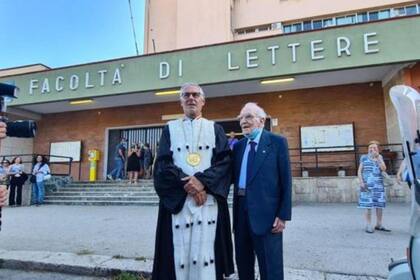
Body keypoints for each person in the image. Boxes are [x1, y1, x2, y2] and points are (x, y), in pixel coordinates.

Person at [152, 83, 234, 280]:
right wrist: (188, 185)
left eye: (195, 94)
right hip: (179, 202)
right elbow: (162, 164)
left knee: (208, 255)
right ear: (180, 101)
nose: (191, 98)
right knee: (176, 257)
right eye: (186, 95)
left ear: (203, 101)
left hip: (209, 203)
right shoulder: (169, 129)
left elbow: (225, 163)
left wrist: (202, 182)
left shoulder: (215, 129)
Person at [232, 102, 292, 280]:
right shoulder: (238, 146)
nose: (243, 121)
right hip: (241, 212)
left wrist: (283, 215)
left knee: (270, 267)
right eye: (241, 118)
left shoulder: (277, 143)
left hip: (268, 216)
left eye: (248, 117)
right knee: (243, 263)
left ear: (262, 120)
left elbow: (286, 180)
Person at [358, 140, 390, 233]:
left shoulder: (380, 157)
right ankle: (368, 225)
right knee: (368, 205)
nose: (372, 149)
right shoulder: (364, 157)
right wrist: (361, 182)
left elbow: (384, 168)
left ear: (378, 149)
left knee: (379, 205)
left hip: (378, 185)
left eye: (374, 148)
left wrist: (378, 158)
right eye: (370, 148)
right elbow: (359, 171)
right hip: (367, 185)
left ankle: (379, 224)